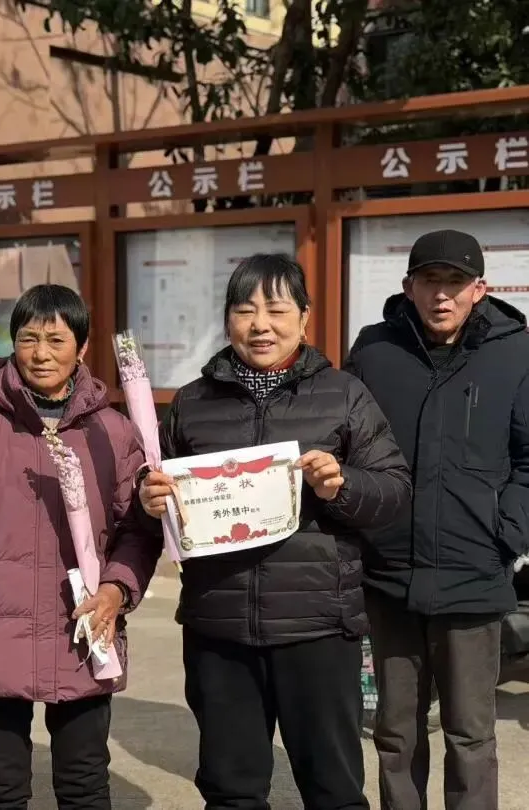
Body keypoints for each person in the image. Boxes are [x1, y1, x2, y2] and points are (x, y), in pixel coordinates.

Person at [139, 254, 411, 810]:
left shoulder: (343, 394)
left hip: (317, 625)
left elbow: (394, 490)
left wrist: (342, 485)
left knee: (334, 789)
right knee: (230, 790)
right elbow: (154, 496)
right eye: (245, 310)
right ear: (227, 320)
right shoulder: (192, 402)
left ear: (304, 317)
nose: (260, 324)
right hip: (219, 627)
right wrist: (149, 500)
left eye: (277, 309)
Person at [0, 284, 162, 810]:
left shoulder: (114, 432)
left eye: (56, 339)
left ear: (82, 347)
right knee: (0, 787)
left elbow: (137, 529)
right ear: (12, 343)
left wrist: (116, 592)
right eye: (29, 339)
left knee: (84, 783)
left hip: (84, 626)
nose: (41, 353)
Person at [344, 229, 529, 810]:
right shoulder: (374, 351)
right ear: (409, 287)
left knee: (470, 734)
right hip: (390, 575)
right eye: (430, 281)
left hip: (474, 573)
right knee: (396, 733)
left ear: (480, 289)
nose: (441, 295)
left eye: (455, 282)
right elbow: (346, 446)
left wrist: (507, 535)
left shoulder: (516, 353)